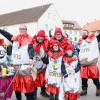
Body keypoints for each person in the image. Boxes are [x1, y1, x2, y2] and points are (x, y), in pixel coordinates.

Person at [0, 25, 36, 100]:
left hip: (25, 67)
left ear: (26, 30)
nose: (22, 30)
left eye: (23, 29)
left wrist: (31, 57)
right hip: (16, 66)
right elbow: (7, 35)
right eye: (21, 29)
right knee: (17, 87)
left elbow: (31, 49)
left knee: (27, 87)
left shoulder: (29, 39)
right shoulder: (15, 38)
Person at [78, 30, 100, 96]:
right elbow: (77, 50)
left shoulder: (94, 39)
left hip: (91, 63)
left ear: (88, 33)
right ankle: (84, 90)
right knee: (84, 79)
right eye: (83, 33)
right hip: (83, 63)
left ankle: (98, 88)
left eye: (85, 33)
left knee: (95, 78)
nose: (84, 34)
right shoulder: (80, 42)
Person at [32, 30, 49, 98]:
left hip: (43, 65)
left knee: (43, 80)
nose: (40, 38)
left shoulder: (46, 44)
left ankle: (43, 92)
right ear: (37, 37)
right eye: (39, 36)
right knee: (34, 80)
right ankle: (34, 94)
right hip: (34, 65)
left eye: (42, 36)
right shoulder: (32, 43)